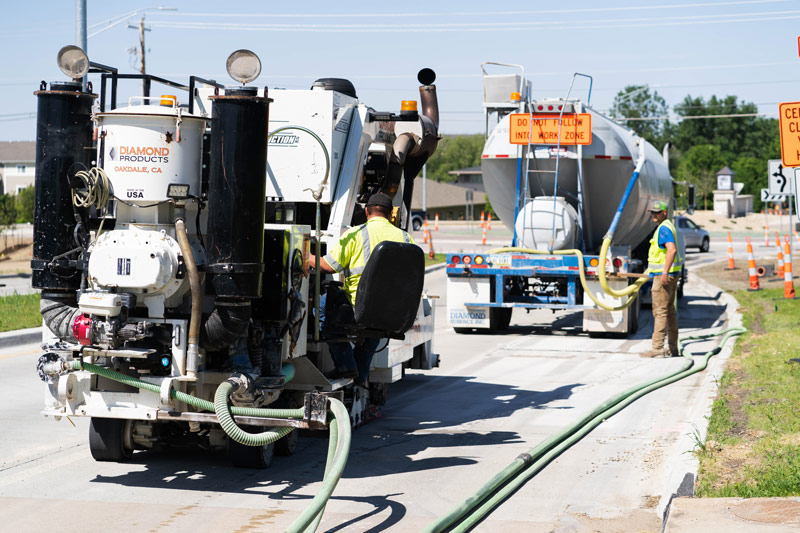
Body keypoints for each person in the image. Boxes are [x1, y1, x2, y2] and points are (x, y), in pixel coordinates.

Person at [309, 192, 416, 383]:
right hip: (391, 312)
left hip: (357, 308)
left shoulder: (356, 234)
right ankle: (360, 376)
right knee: (375, 330)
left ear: (367, 211)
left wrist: (305, 256)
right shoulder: (406, 238)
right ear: (391, 213)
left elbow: (327, 266)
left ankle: (346, 366)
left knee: (322, 309)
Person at [641, 200, 683, 358]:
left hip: (664, 277)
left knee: (660, 312)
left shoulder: (664, 228)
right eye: (652, 212)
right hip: (671, 274)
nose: (653, 215)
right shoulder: (667, 226)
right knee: (670, 312)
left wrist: (664, 272)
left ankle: (657, 349)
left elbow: (671, 250)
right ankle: (673, 348)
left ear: (664, 213)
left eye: (656, 212)